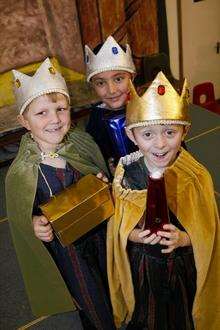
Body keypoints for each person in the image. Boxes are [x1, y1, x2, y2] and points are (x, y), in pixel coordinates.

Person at [6, 58, 116, 329]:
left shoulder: (81, 144)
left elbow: (101, 175)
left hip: (102, 233)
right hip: (69, 249)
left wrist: (103, 184)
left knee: (116, 286)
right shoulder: (22, 170)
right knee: (92, 302)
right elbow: (21, 213)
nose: (55, 119)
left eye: (61, 109)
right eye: (41, 113)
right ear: (24, 121)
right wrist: (33, 224)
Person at [107, 72, 220, 330]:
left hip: (182, 264)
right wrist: (136, 236)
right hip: (145, 265)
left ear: (184, 131)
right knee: (151, 314)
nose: (160, 144)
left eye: (170, 132)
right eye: (148, 135)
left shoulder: (195, 175)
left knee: (182, 313)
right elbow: (119, 228)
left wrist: (185, 238)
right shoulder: (127, 176)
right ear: (132, 136)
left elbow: (208, 228)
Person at [85, 35, 137, 175]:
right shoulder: (95, 120)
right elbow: (94, 158)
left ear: (131, 77)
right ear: (93, 86)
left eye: (118, 79)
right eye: (101, 83)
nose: (112, 90)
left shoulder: (149, 108)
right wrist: (107, 170)